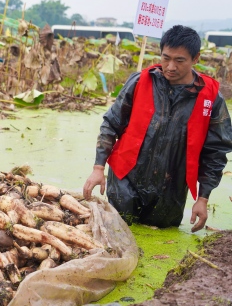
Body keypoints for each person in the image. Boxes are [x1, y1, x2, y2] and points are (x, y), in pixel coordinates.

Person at [83, 25, 232, 232]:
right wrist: (98, 168)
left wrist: (203, 198)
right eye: (166, 58)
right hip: (125, 182)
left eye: (179, 60)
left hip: (171, 192)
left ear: (195, 58)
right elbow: (111, 123)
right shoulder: (140, 82)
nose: (170, 66)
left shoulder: (211, 98)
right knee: (116, 234)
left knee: (162, 246)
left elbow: (216, 152)